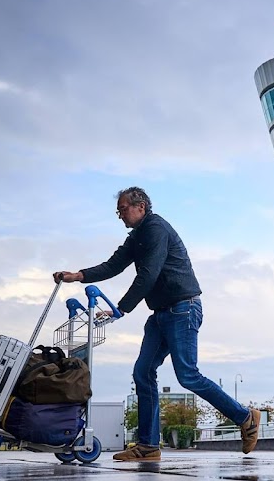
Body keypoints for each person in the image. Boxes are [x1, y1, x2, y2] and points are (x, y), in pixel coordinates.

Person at [53, 187, 261, 461]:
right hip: (161, 313)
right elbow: (113, 265)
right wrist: (78, 275)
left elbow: (148, 275)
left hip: (183, 309)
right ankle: (148, 446)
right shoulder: (137, 236)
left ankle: (246, 417)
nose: (120, 215)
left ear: (140, 206)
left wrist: (121, 309)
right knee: (142, 372)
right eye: (119, 211)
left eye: (123, 209)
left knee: (187, 375)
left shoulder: (156, 229)